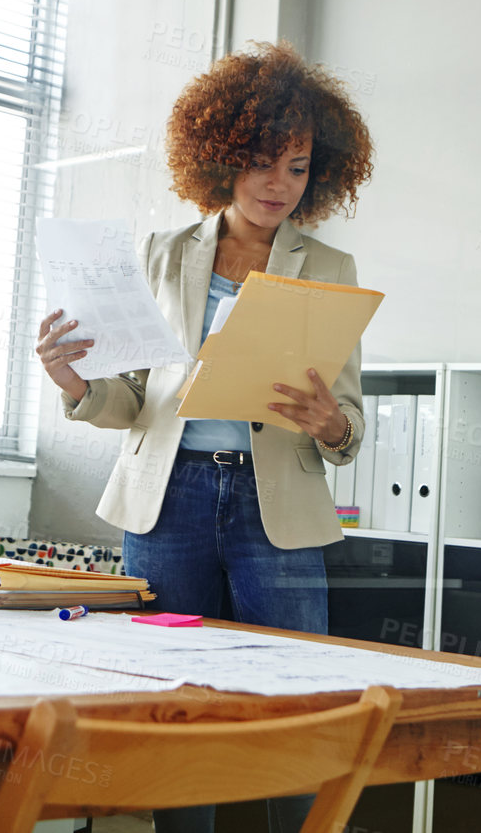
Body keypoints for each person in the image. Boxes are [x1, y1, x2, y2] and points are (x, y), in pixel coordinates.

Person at [36, 41, 375, 833]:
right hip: (170, 497)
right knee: (173, 701)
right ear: (221, 156)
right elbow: (132, 400)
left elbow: (349, 422)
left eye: (297, 168)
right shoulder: (160, 254)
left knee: (295, 697)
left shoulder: (330, 265)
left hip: (275, 505)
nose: (278, 185)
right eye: (262, 161)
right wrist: (74, 383)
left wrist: (333, 424)